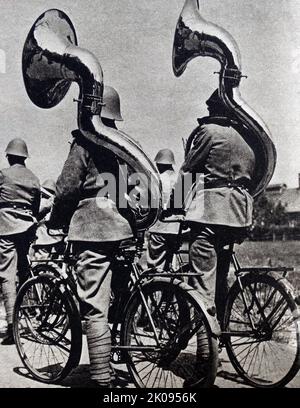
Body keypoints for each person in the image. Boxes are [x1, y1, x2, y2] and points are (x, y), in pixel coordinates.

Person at [48, 85, 133, 388]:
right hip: (122, 228)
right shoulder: (122, 144)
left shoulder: (84, 141)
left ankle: (101, 378)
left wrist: (55, 221)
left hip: (92, 228)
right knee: (120, 299)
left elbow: (66, 188)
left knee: (95, 307)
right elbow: (129, 189)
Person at [177, 89, 255, 323]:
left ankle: (206, 356)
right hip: (239, 215)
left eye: (210, 108)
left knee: (202, 287)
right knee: (220, 279)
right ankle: (220, 337)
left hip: (211, 213)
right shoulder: (247, 138)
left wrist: (174, 206)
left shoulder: (208, 132)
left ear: (214, 109)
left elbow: (188, 171)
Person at [0, 138, 40, 345]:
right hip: (27, 226)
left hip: (5, 226)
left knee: (6, 275)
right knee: (24, 270)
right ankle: (29, 315)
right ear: (25, 157)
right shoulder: (33, 177)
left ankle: (11, 326)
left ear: (9, 156)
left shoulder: (3, 174)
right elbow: (36, 206)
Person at [147, 149, 180, 271]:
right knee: (170, 266)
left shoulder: (156, 180)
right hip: (178, 229)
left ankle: (155, 288)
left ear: (158, 163)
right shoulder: (181, 178)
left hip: (159, 228)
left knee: (155, 267)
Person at [30, 179, 65, 261]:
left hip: (47, 234)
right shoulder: (62, 200)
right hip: (60, 234)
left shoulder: (48, 201)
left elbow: (40, 212)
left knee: (40, 257)